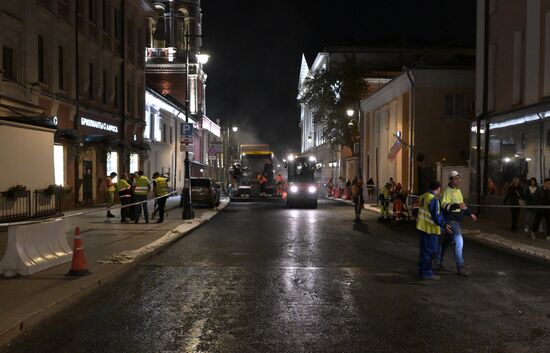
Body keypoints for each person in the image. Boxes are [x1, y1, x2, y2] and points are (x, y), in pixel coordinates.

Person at [437, 170, 477, 276]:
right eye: (455, 178)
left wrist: (470, 214)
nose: (458, 180)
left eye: (459, 178)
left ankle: (437, 261)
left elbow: (462, 205)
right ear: (450, 180)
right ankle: (460, 266)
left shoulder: (458, 191)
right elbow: (444, 206)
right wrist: (456, 206)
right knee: (459, 242)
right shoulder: (447, 191)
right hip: (451, 221)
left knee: (446, 242)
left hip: (457, 221)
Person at [416, 180, 452, 280]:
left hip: (422, 227)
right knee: (432, 251)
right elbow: (436, 216)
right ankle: (426, 272)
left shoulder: (423, 196)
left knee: (424, 251)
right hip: (430, 229)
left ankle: (421, 269)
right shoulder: (433, 200)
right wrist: (444, 225)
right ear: (438, 188)